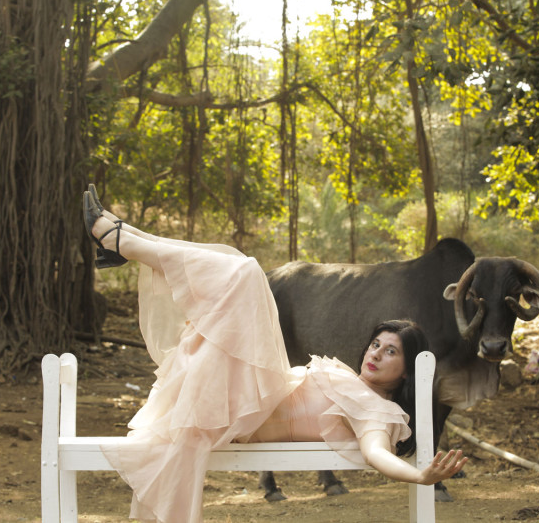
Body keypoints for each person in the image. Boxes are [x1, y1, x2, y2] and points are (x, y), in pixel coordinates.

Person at [82, 186, 467, 523]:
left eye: (391, 352)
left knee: (246, 274)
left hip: (240, 406)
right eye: (375, 344)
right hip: (239, 392)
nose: (376, 354)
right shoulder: (352, 382)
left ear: (405, 373)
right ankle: (123, 239)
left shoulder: (378, 412)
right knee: (241, 270)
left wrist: (419, 476)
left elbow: (377, 452)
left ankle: (121, 240)